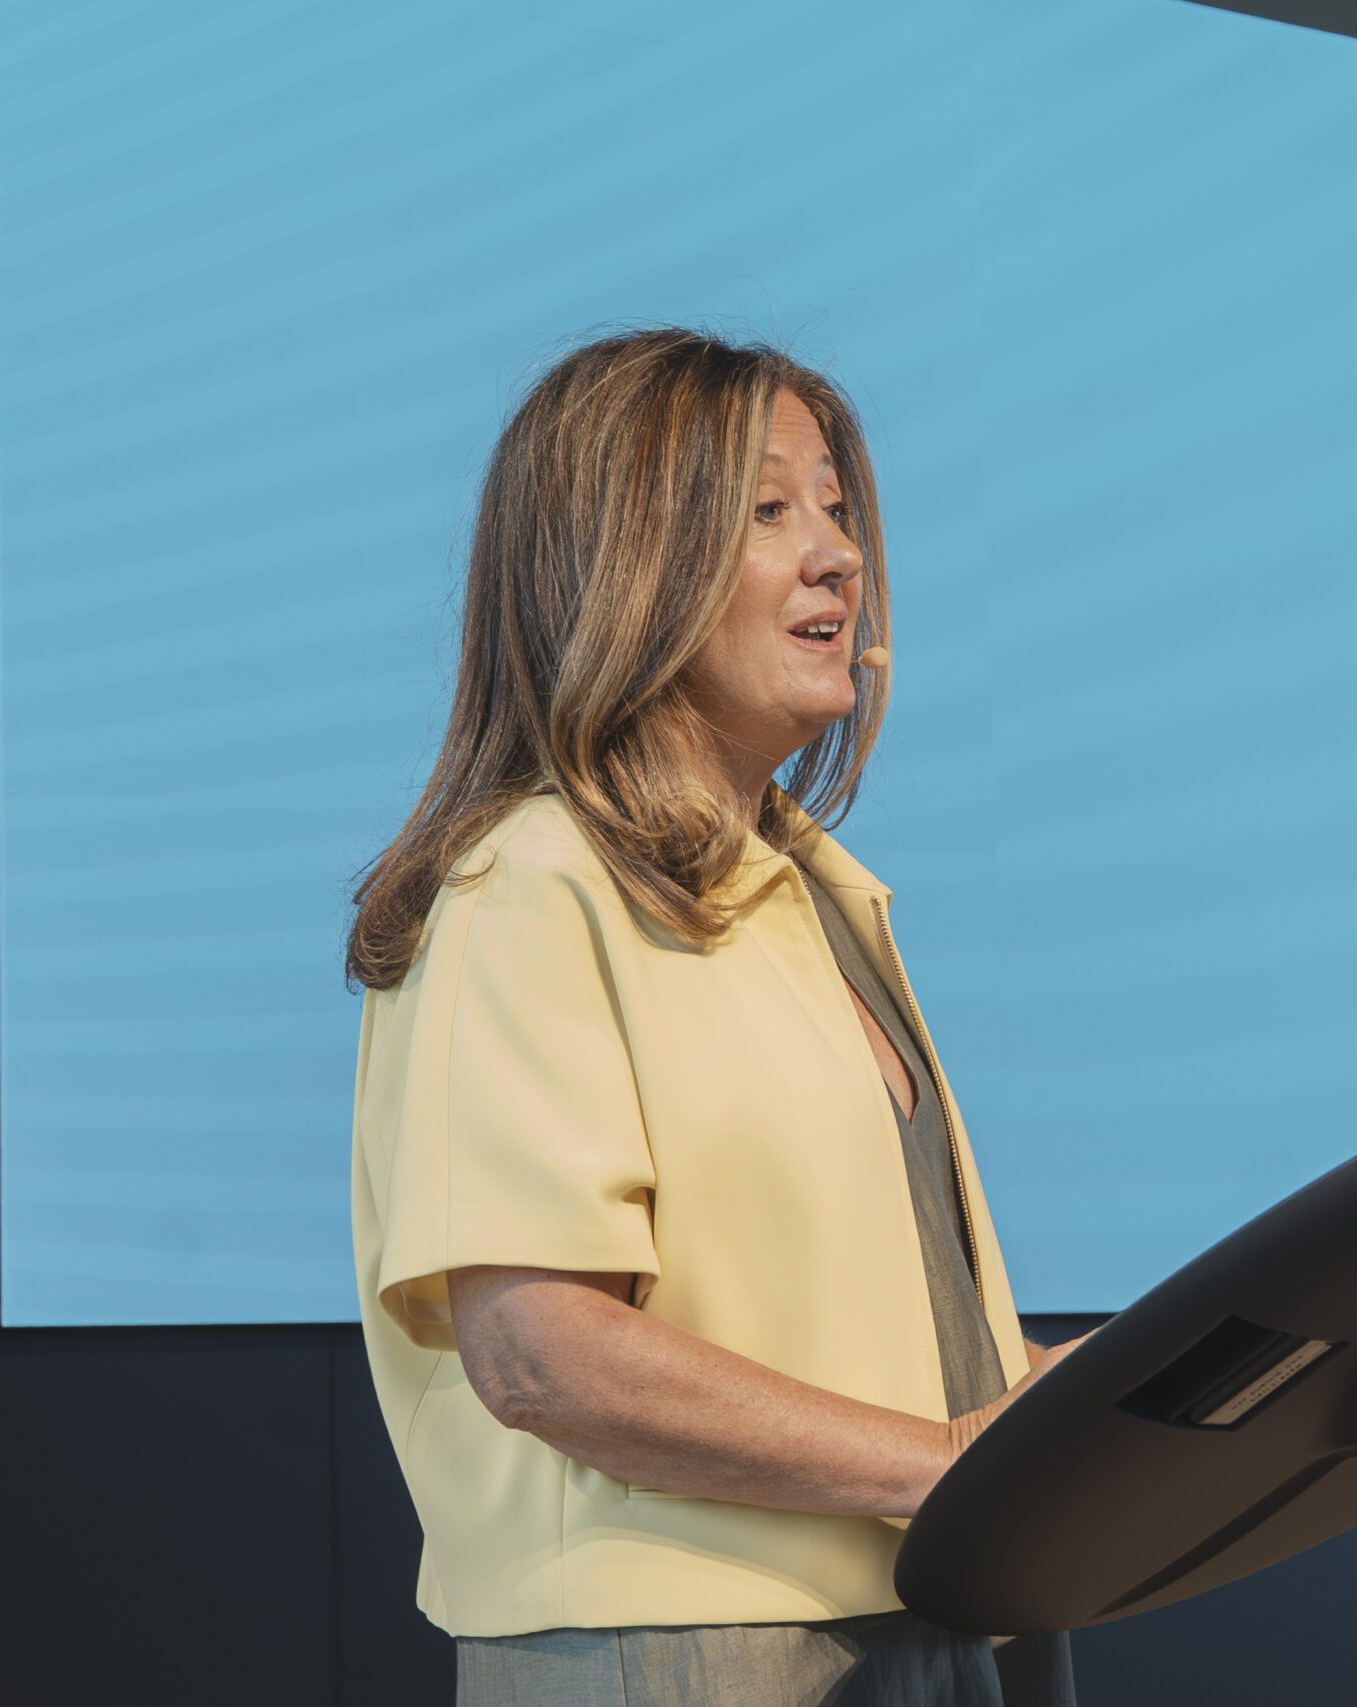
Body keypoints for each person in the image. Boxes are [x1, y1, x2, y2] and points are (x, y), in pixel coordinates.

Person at [343, 325, 1084, 1706]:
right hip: (686, 1647)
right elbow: (542, 1353)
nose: (841, 556)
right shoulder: (529, 887)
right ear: (626, 563)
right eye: (768, 511)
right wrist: (945, 1466)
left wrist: (1082, 1405)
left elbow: (848, 1330)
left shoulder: (813, 894)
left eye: (837, 509)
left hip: (937, 1613)